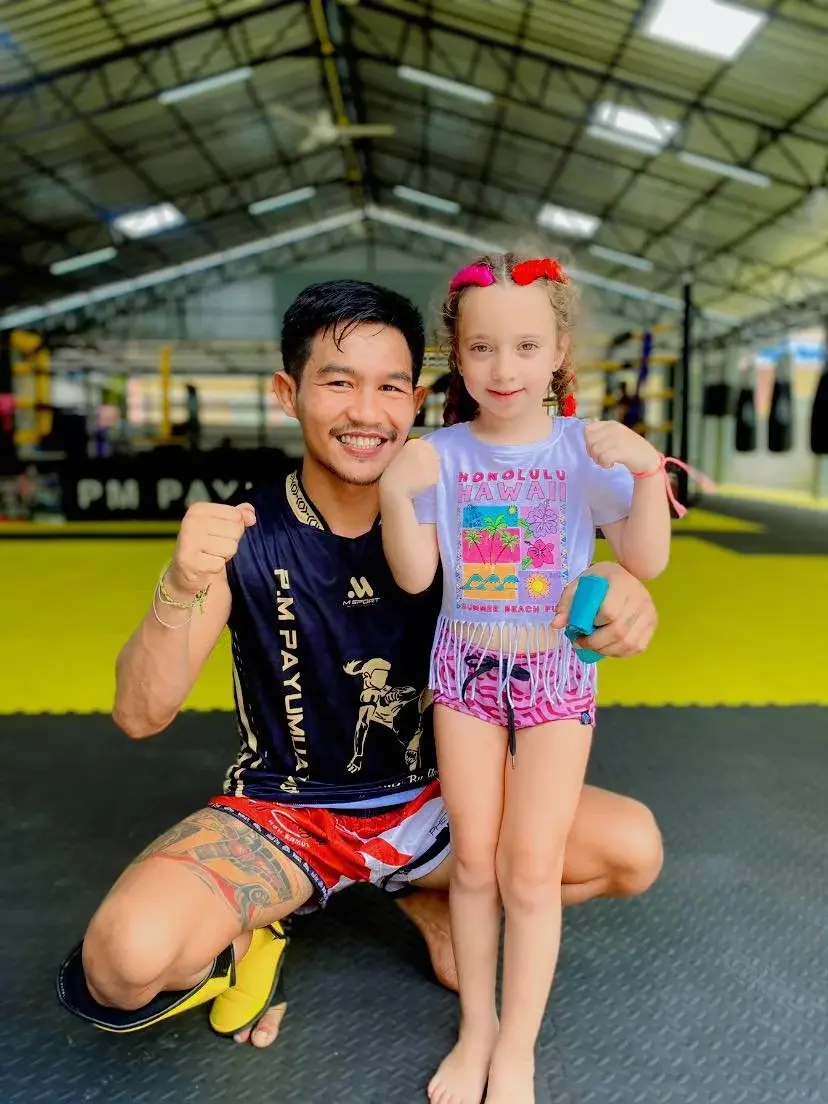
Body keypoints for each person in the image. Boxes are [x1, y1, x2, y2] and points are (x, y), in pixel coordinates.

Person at [55, 279, 663, 1062]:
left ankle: (425, 893)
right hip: (287, 812)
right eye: (339, 383)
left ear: (418, 399)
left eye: (390, 388)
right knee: (123, 963)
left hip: (437, 806)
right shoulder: (246, 530)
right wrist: (178, 583)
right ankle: (261, 928)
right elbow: (141, 714)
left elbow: (553, 576)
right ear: (288, 393)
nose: (367, 413)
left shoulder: (455, 499)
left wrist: (616, 588)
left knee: (633, 849)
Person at [379, 253, 672, 1104]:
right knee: (475, 862)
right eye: (482, 348)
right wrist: (398, 491)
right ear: (458, 356)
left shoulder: (583, 450)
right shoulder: (442, 456)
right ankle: (476, 1030)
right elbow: (412, 576)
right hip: (464, 669)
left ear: (559, 353)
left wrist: (646, 471)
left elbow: (645, 559)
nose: (503, 368)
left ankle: (517, 1048)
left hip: (555, 674)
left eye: (525, 346)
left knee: (532, 867)